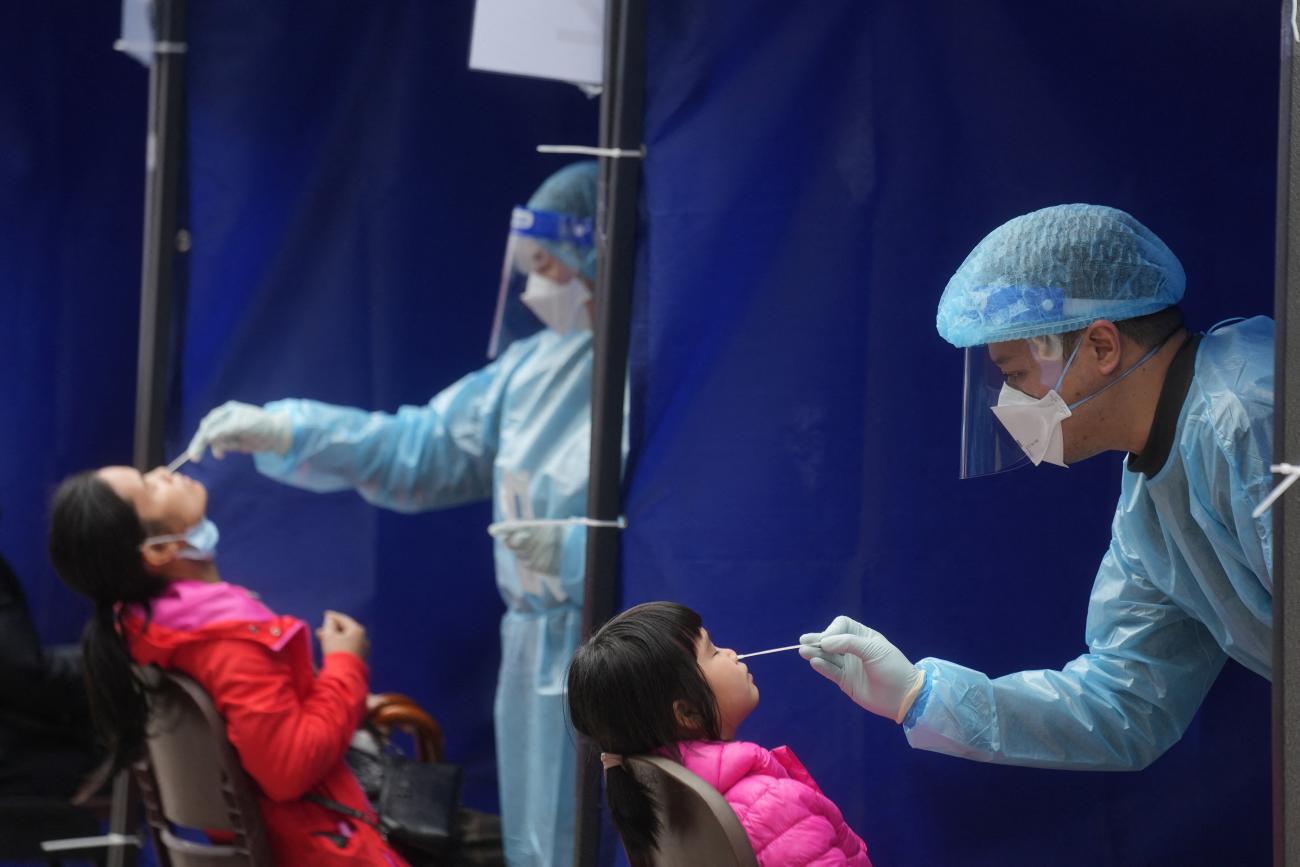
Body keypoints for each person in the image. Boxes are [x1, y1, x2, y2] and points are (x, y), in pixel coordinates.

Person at [181, 161, 601, 866]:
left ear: (599, 251)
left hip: (618, 644)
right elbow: (422, 450)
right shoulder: (533, 369)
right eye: (530, 266)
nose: (538, 286)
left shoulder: (653, 369)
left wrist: (584, 557)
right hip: (536, 650)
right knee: (543, 840)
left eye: (551, 265)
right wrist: (288, 429)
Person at [801, 204, 1274, 770]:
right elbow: (1127, 701)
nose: (1007, 405)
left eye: (1017, 376)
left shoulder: (1253, 417)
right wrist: (917, 695)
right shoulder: (1155, 497)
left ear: (1102, 347)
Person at [47, 465, 407, 866]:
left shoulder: (149, 630)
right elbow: (288, 768)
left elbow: (268, 724)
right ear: (160, 551)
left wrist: (336, 694)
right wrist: (346, 664)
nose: (165, 472)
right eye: (150, 485)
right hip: (328, 848)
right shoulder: (225, 643)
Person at [567, 601, 872, 867]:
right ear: (686, 713)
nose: (730, 653)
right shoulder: (772, 806)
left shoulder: (658, 797)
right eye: (712, 651)